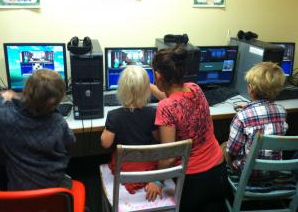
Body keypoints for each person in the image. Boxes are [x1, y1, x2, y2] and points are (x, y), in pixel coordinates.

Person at [147, 46, 229, 211]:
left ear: (158, 76)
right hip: (219, 172)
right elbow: (174, 98)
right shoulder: (194, 88)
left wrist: (157, 180)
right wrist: (148, 85)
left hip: (194, 181)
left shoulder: (165, 108)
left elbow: (170, 157)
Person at [0, 69, 75, 190]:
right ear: (59, 99)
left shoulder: (5, 118)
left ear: (25, 91)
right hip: (54, 191)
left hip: (18, 193)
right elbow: (70, 143)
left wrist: (7, 96)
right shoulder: (59, 122)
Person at [101, 65, 159, 194]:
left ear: (121, 89)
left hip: (125, 164)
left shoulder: (114, 115)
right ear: (147, 90)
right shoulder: (152, 113)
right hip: (147, 162)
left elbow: (106, 144)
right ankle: (147, 179)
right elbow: (157, 138)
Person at [225, 62, 288, 174]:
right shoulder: (282, 111)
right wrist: (251, 107)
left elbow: (232, 151)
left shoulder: (242, 116)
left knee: (223, 147)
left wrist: (248, 110)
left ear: (250, 89)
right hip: (274, 171)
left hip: (249, 173)